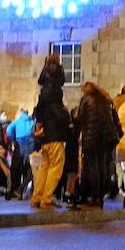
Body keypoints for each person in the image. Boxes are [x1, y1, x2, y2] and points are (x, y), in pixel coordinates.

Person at [31, 53, 70, 210]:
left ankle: (37, 197)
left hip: (45, 136)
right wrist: (67, 115)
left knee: (44, 167)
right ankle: (46, 198)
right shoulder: (55, 93)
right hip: (55, 135)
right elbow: (58, 115)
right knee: (56, 166)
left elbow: (38, 114)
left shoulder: (43, 95)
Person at [76, 81, 121, 208]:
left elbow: (80, 117)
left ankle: (94, 196)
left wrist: (75, 120)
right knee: (102, 167)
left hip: (91, 138)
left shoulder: (86, 99)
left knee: (93, 167)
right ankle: (100, 196)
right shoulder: (104, 100)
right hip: (105, 139)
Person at [6, 106, 36, 200]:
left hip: (19, 143)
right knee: (29, 169)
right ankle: (25, 190)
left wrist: (13, 139)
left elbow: (8, 131)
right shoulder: (31, 121)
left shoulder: (17, 121)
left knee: (16, 168)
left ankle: (15, 189)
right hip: (31, 144)